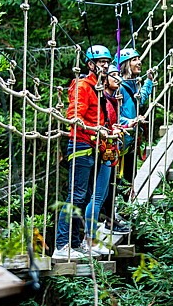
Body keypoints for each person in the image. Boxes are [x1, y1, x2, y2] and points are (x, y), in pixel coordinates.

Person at [53, 45, 123, 260]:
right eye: (100, 62)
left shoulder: (98, 88)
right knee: (75, 196)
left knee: (81, 197)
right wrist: (95, 129)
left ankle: (74, 244)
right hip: (82, 144)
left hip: (93, 145)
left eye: (106, 62)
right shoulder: (84, 85)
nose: (104, 65)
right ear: (90, 65)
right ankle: (61, 244)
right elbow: (74, 115)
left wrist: (108, 130)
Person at [101, 48, 154, 234]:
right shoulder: (120, 87)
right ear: (125, 64)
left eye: (139, 59)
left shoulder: (133, 85)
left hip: (130, 140)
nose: (139, 62)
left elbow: (141, 99)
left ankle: (121, 213)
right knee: (117, 179)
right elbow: (115, 115)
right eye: (134, 60)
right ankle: (112, 217)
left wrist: (149, 82)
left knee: (128, 178)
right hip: (120, 139)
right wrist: (130, 122)